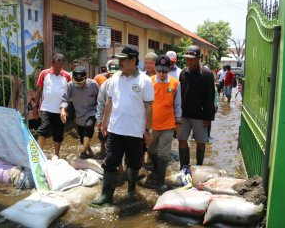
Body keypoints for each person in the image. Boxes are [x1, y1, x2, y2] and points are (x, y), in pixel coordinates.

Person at [91, 46, 154, 207]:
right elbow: (109, 102)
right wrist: (104, 122)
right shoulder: (114, 79)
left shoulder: (144, 80)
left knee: (134, 163)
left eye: (122, 60)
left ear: (133, 61)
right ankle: (106, 195)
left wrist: (148, 130)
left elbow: (148, 107)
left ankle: (131, 190)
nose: (119, 62)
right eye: (118, 59)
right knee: (110, 161)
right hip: (115, 130)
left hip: (135, 131)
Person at [147, 55, 182, 190]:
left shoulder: (175, 83)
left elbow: (178, 105)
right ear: (155, 69)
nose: (162, 74)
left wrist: (178, 122)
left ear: (169, 69)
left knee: (164, 153)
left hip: (168, 124)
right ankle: (157, 170)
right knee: (152, 150)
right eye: (159, 70)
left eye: (165, 71)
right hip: (151, 125)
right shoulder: (148, 82)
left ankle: (161, 180)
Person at [178, 45, 215, 167]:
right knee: (182, 140)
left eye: (192, 58)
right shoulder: (183, 73)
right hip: (184, 114)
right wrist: (177, 114)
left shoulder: (207, 74)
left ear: (199, 58)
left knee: (201, 142)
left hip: (200, 116)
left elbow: (210, 97)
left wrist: (208, 117)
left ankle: (199, 166)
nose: (189, 61)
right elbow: (179, 95)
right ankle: (184, 167)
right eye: (187, 58)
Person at [34, 53, 71, 157]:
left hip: (60, 110)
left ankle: (56, 155)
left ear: (63, 65)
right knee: (43, 129)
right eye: (56, 66)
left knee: (58, 133)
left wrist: (67, 110)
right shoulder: (44, 74)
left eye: (60, 66)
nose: (58, 69)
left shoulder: (67, 76)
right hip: (46, 108)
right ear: (52, 64)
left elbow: (69, 94)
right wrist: (35, 107)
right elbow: (38, 91)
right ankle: (38, 155)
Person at [60, 66, 99, 159]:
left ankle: (82, 152)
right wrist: (63, 110)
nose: (79, 84)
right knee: (82, 137)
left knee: (89, 127)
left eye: (81, 82)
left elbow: (100, 100)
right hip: (79, 115)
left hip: (91, 111)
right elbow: (65, 99)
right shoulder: (70, 85)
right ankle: (88, 151)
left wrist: (101, 117)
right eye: (76, 82)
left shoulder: (93, 84)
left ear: (86, 78)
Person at [95, 59, 120, 159]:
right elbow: (100, 103)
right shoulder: (104, 86)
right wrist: (99, 120)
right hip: (108, 117)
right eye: (111, 73)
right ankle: (102, 149)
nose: (113, 75)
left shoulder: (125, 84)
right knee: (103, 135)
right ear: (108, 72)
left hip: (121, 119)